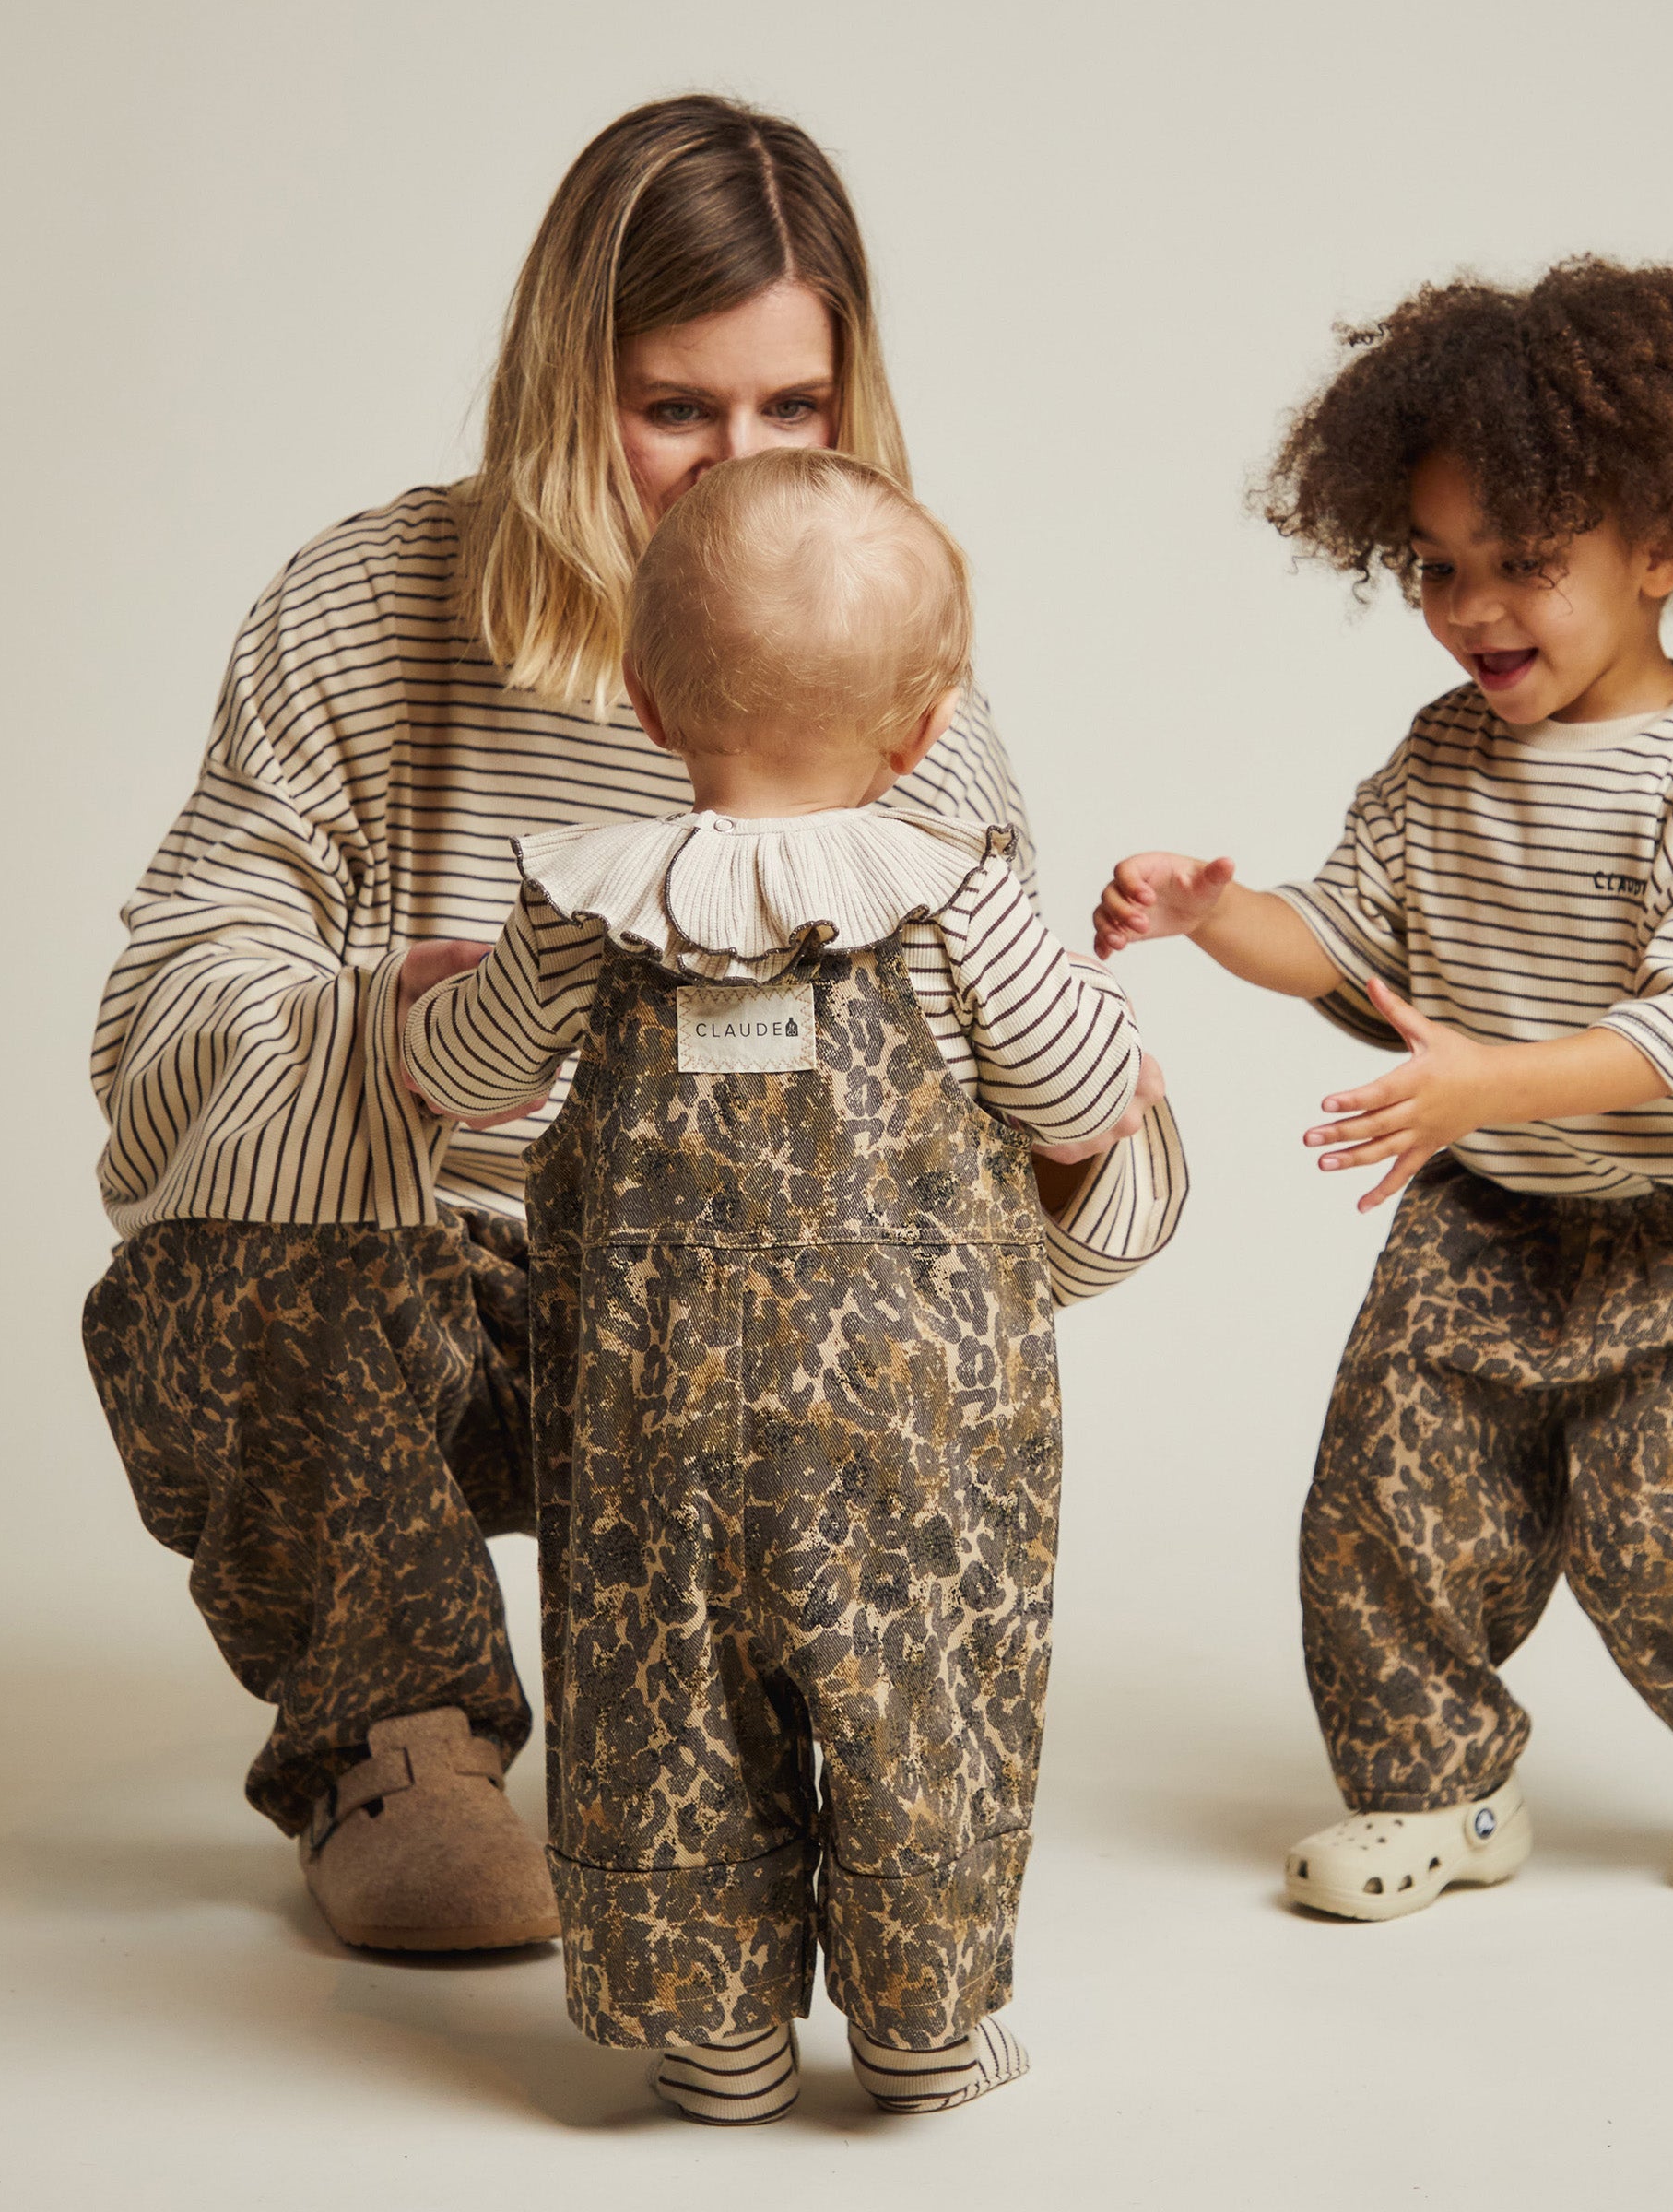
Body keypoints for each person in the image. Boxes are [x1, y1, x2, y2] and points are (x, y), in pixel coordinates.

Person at [81, 94, 1184, 1955]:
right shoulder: (362, 610)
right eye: (676, 408)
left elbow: (1011, 1161)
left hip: (760, 1323)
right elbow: (159, 1025)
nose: (732, 466)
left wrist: (1092, 1152)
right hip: (447, 1296)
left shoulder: (893, 670)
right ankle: (400, 1740)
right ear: (562, 385)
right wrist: (384, 1031)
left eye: (792, 412)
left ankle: (861, 1791)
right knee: (207, 1280)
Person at [1095, 258, 1673, 1916]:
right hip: (1505, 1197)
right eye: (1439, 569)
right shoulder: (1444, 753)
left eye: (1527, 566)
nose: (1473, 612)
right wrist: (1216, 912)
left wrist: (1487, 1085)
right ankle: (1435, 1789)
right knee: (1387, 1491)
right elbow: (1351, 932)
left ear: (1664, 550)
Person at [401, 445, 1139, 2119]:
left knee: (669, 1697)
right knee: (918, 1688)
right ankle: (923, 2026)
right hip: (914, 1433)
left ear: (650, 707)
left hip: (656, 1420)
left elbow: (471, 1073)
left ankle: (714, 2031)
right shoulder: (958, 899)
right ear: (929, 724)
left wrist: (428, 1000)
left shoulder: (591, 899)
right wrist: (1128, 1072)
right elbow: (1082, 1095)